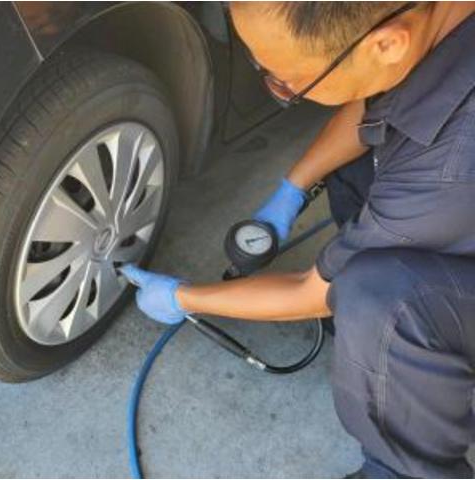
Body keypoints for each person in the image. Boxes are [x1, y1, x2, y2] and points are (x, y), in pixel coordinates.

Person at [120, 2, 475, 478]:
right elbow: (376, 100)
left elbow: (312, 292)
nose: (279, 86)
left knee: (380, 302)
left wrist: (183, 296)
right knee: (354, 164)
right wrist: (293, 188)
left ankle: (403, 468)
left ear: (388, 43)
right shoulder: (438, 23)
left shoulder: (447, 167)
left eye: (289, 82)